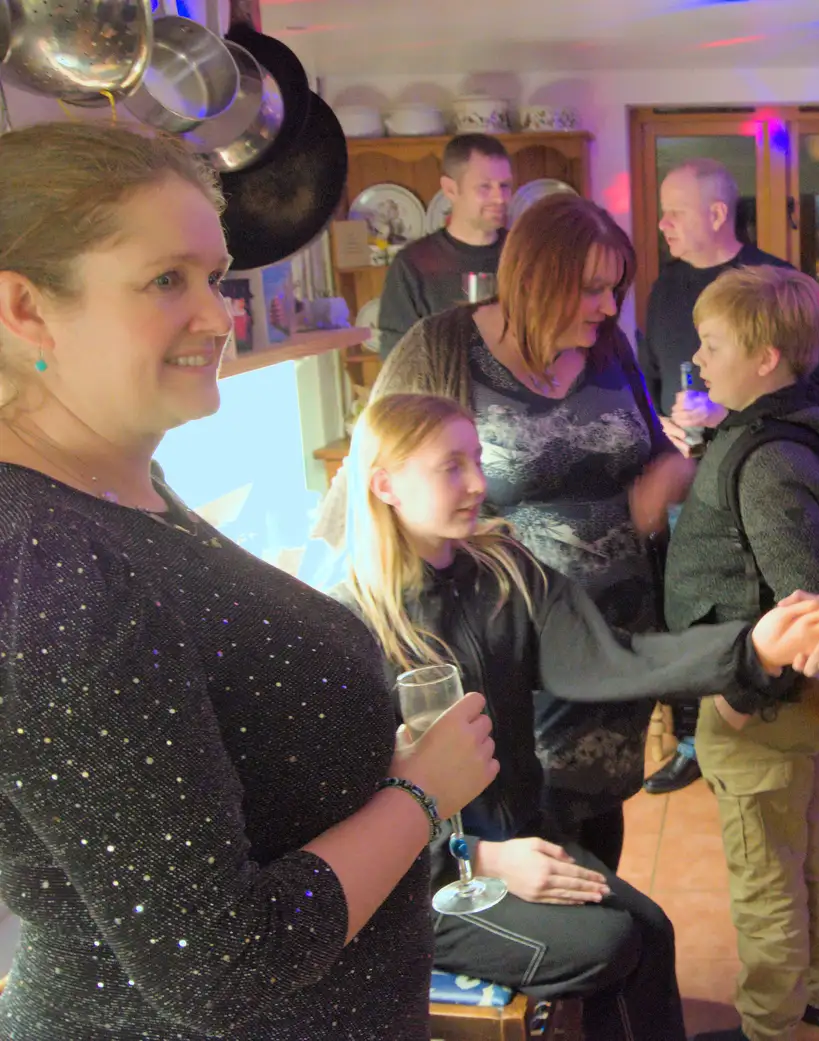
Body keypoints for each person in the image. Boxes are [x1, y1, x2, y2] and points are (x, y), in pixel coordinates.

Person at [0, 122, 498, 1040]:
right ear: (26, 310)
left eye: (215, 276)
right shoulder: (52, 568)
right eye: (165, 280)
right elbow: (222, 967)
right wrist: (422, 794)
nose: (219, 315)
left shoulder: (117, 483)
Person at [334, 392, 819, 1041]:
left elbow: (614, 660)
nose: (478, 482)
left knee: (650, 930)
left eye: (477, 458)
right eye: (450, 466)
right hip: (423, 884)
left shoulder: (504, 571)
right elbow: (348, 819)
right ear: (384, 482)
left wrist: (753, 648)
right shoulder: (348, 628)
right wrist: (481, 859)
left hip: (518, 838)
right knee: (607, 941)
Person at [315, 192, 693, 872]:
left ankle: (596, 962)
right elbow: (376, 465)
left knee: (598, 829)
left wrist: (670, 473)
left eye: (615, 287)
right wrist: (344, 608)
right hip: (510, 643)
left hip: (611, 637)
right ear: (534, 277)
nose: (609, 307)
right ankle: (572, 963)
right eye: (591, 288)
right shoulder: (441, 347)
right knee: (527, 832)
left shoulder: (609, 349)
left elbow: (648, 450)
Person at [664, 267, 819, 1041]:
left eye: (713, 343)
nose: (698, 355)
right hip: (781, 703)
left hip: (758, 702)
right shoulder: (787, 428)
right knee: (808, 845)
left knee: (765, 874)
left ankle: (771, 1024)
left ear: (765, 358)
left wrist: (743, 693)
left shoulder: (770, 458)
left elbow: (804, 597)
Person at [637, 158, 794, 796]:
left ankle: (743, 721)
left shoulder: (772, 284)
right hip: (682, 476)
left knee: (745, 604)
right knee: (683, 608)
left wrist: (727, 410)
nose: (661, 224)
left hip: (751, 477)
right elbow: (649, 381)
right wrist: (662, 428)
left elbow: (795, 390)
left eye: (673, 211)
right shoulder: (664, 288)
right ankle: (691, 743)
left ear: (717, 214)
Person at [377, 134, 513, 357]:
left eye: (505, 185)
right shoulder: (412, 266)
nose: (500, 198)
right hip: (441, 391)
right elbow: (397, 358)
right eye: (485, 187)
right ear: (450, 189)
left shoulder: (526, 256)